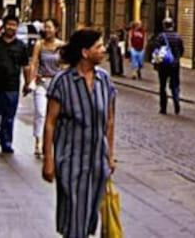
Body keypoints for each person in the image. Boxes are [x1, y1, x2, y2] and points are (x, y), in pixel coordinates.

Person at [42, 28, 116, 238]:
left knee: (88, 217)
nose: (103, 50)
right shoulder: (62, 81)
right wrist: (49, 159)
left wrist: (110, 156)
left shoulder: (104, 81)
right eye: (98, 46)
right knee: (75, 216)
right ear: (85, 52)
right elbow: (50, 123)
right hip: (71, 161)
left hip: (97, 161)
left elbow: (109, 121)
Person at [0, 14, 31, 154]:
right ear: (3, 26)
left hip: (12, 86)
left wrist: (27, 83)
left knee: (9, 116)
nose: (11, 27)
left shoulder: (21, 46)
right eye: (9, 24)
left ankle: (6, 142)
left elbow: (26, 65)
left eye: (14, 25)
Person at [27, 18, 64, 157]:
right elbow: (34, 63)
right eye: (45, 27)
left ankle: (52, 141)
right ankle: (39, 141)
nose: (47, 30)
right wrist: (31, 79)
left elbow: (65, 65)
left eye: (49, 27)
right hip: (42, 82)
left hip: (57, 84)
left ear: (56, 29)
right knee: (41, 113)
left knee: (55, 115)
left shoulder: (61, 45)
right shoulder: (39, 44)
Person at [151, 18, 185, 115]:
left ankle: (163, 108)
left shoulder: (161, 37)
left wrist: (156, 63)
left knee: (162, 86)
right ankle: (176, 102)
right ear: (173, 25)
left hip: (163, 65)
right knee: (175, 84)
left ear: (164, 25)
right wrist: (177, 58)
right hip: (175, 65)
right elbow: (182, 51)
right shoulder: (178, 37)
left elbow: (156, 51)